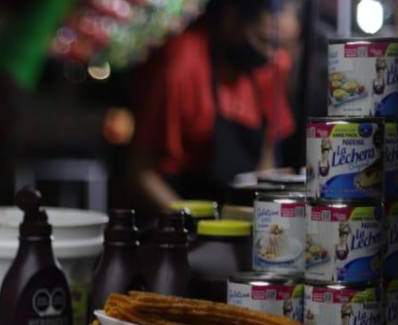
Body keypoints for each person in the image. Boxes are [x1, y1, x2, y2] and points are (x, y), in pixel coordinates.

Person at [126, 0, 300, 212]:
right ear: (231, 19)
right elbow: (140, 170)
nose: (273, 55)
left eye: (281, 45)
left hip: (235, 215)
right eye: (263, 41)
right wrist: (192, 221)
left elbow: (267, 152)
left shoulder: (271, 65)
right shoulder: (181, 62)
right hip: (176, 215)